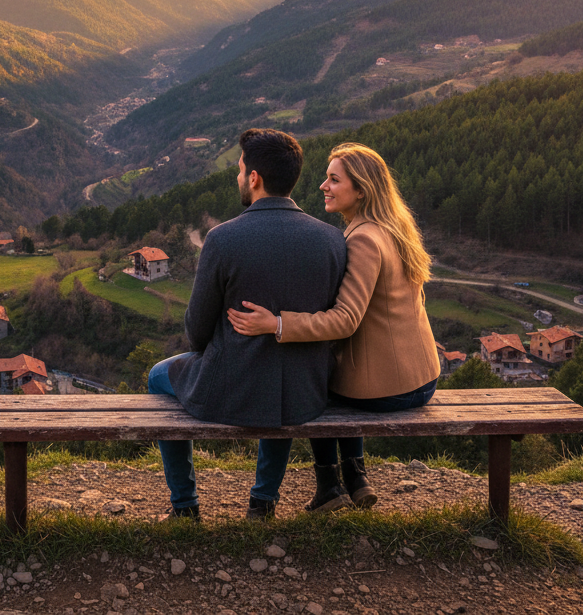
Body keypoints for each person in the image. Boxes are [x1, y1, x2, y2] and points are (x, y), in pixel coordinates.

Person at [227, 142, 441, 512]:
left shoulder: (363, 239)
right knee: (331, 375)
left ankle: (330, 485)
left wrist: (276, 324)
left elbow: (345, 320)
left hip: (391, 390)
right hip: (422, 378)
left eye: (334, 180)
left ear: (361, 190)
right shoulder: (395, 230)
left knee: (310, 384)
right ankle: (355, 478)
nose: (323, 186)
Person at [148, 128, 346, 520]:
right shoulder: (332, 240)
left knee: (158, 375)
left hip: (234, 390)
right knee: (279, 378)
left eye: (240, 170)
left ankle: (185, 506)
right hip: (306, 394)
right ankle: (262, 503)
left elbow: (198, 333)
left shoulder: (223, 239)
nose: (238, 177)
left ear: (254, 177)